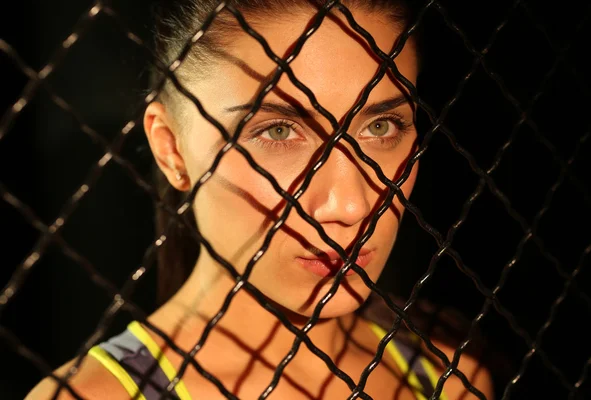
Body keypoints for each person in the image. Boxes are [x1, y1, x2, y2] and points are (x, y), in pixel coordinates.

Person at [27, 0, 494, 398]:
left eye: (381, 127)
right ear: (172, 148)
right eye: (277, 131)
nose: (350, 205)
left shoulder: (450, 379)